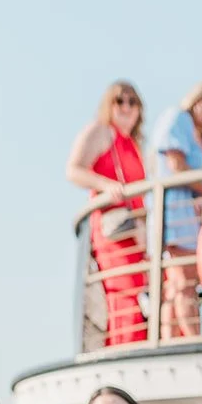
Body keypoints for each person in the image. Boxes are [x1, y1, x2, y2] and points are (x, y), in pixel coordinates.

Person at [66, 81, 148, 349]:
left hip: (135, 231)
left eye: (132, 102)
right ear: (108, 105)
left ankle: (132, 345)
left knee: (138, 290)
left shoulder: (134, 144)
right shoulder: (101, 131)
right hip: (113, 229)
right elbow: (74, 170)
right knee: (122, 292)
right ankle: (123, 349)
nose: (126, 107)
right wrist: (105, 186)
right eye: (119, 101)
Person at [152, 82, 202, 339]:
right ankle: (193, 337)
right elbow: (176, 165)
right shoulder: (178, 119)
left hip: (193, 215)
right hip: (176, 210)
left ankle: (172, 337)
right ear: (198, 100)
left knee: (179, 284)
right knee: (184, 280)